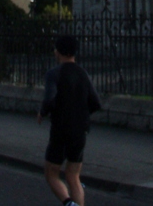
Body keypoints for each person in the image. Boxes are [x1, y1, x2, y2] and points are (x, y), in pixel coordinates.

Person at [37, 35, 102, 206]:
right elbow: (95, 102)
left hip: (61, 129)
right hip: (80, 130)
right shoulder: (83, 74)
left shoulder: (54, 74)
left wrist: (42, 113)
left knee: (51, 173)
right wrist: (81, 113)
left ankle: (68, 203)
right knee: (73, 176)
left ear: (58, 51)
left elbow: (49, 99)